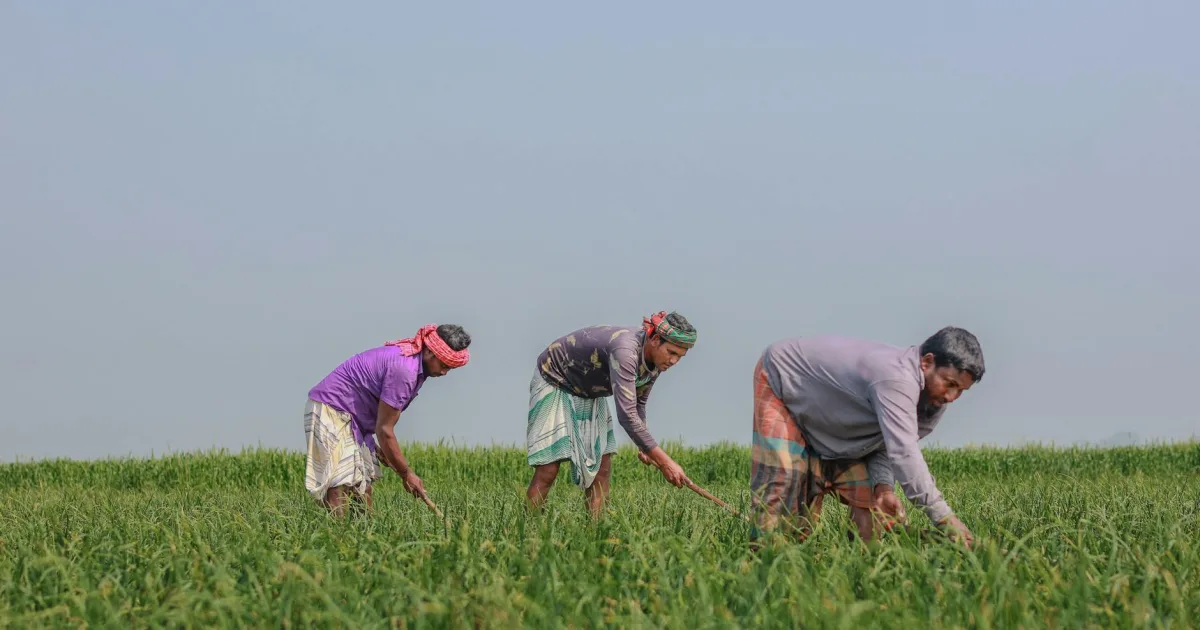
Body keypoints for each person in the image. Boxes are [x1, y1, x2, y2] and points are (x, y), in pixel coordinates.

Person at [749, 326, 984, 548]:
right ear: (927, 362)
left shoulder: (932, 403)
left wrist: (884, 488)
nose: (952, 396)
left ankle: (862, 564)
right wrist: (945, 520)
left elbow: (883, 444)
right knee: (781, 478)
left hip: (831, 418)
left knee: (869, 500)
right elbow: (904, 453)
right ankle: (763, 560)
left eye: (961, 390)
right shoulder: (896, 380)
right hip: (781, 379)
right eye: (949, 383)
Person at [525, 311, 697, 517]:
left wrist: (644, 446)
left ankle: (596, 539)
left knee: (602, 470)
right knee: (549, 469)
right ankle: (529, 533)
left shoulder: (655, 363)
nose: (674, 361)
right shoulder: (626, 352)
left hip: (587, 390)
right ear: (655, 339)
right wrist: (665, 462)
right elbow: (626, 416)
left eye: (679, 356)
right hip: (555, 378)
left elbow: (638, 402)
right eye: (671, 352)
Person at [303, 324, 471, 515]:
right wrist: (406, 473)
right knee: (340, 482)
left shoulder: (415, 367)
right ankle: (338, 542)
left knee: (362, 483)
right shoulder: (405, 371)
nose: (444, 372)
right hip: (331, 410)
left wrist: (376, 448)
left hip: (353, 419)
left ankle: (366, 539)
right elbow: (385, 429)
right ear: (430, 353)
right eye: (443, 365)